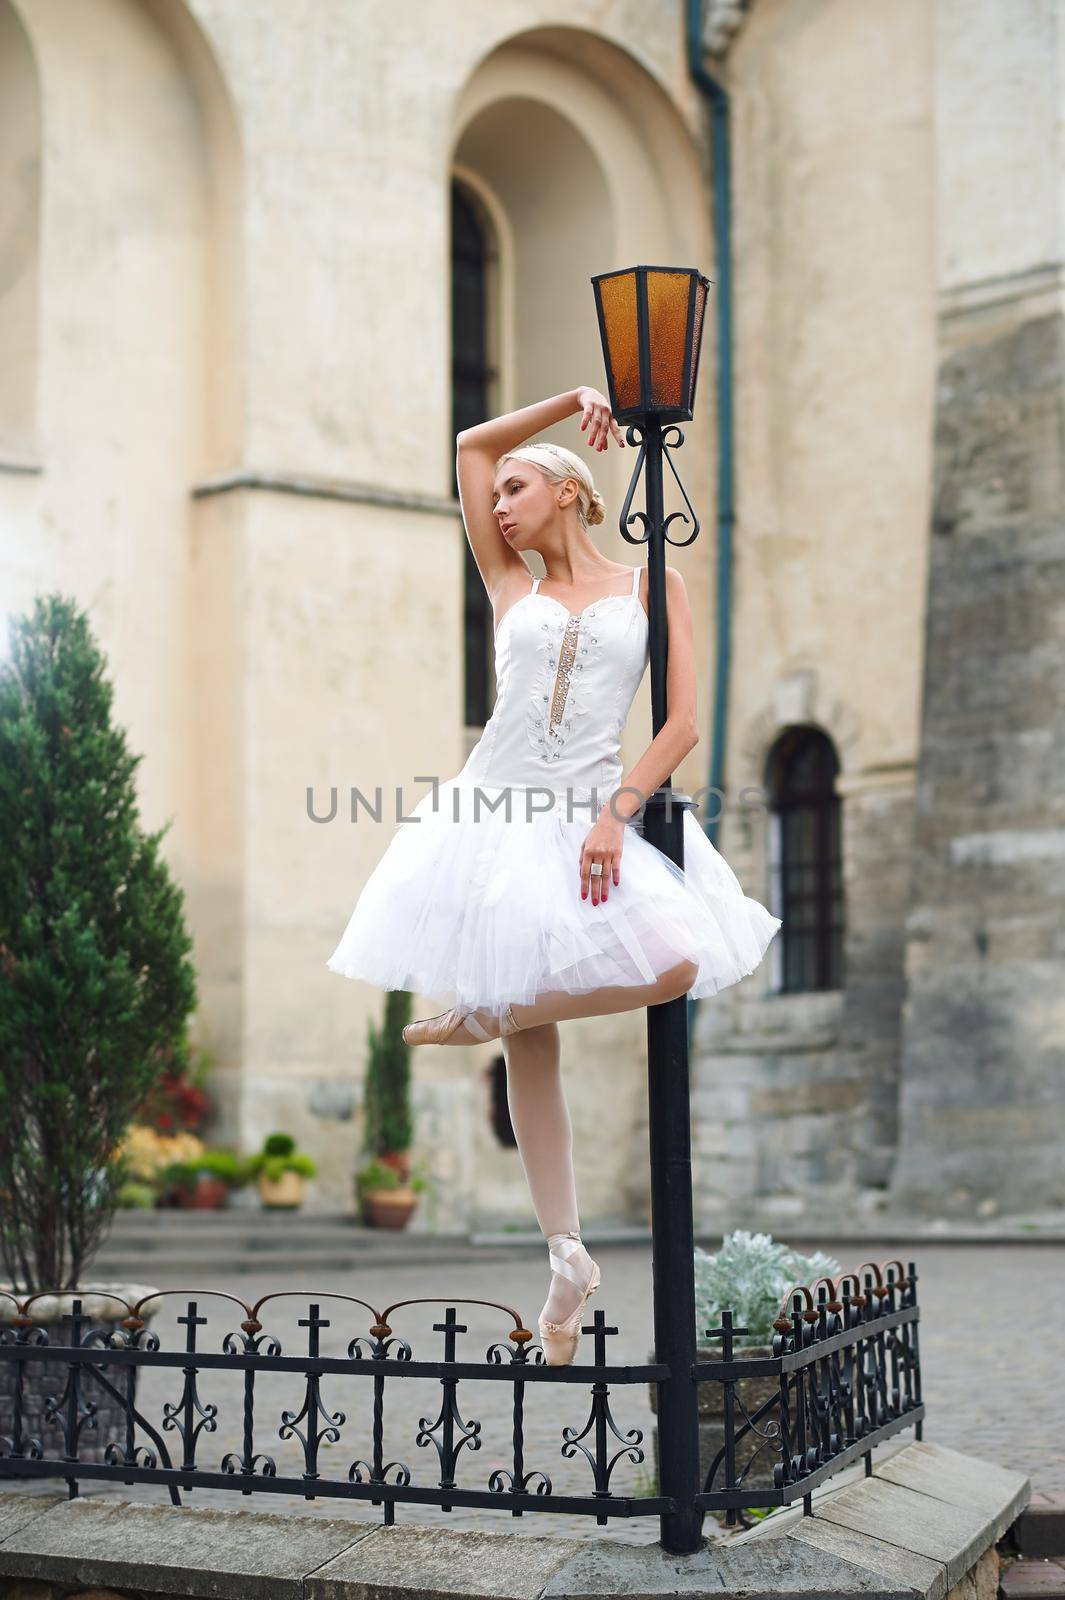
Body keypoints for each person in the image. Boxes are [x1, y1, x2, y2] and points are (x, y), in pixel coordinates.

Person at [326, 384, 781, 1364]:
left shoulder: (653, 585)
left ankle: (489, 1010)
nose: (499, 506)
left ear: (572, 493)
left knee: (672, 961)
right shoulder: (508, 586)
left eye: (519, 491)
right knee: (536, 1051)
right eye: (497, 498)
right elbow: (470, 446)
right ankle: (565, 1253)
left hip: (591, 814)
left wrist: (619, 815)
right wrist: (563, 400)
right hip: (493, 818)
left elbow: (683, 724)